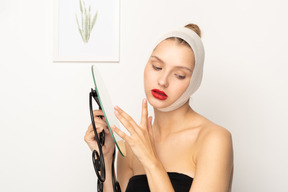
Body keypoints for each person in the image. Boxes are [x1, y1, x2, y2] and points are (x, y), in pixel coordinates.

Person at [84, 23, 234, 192]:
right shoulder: (133, 144)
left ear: (194, 82)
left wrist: (150, 160)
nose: (163, 81)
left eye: (179, 75)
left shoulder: (214, 139)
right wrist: (105, 159)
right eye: (157, 67)